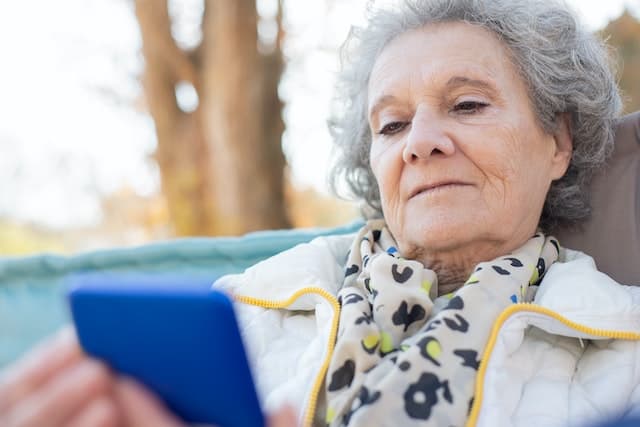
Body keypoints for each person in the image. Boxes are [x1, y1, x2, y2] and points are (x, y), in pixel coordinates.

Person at [1, 0, 639, 426]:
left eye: (467, 105)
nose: (420, 141)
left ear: (558, 142)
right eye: (392, 124)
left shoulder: (625, 349)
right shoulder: (244, 312)